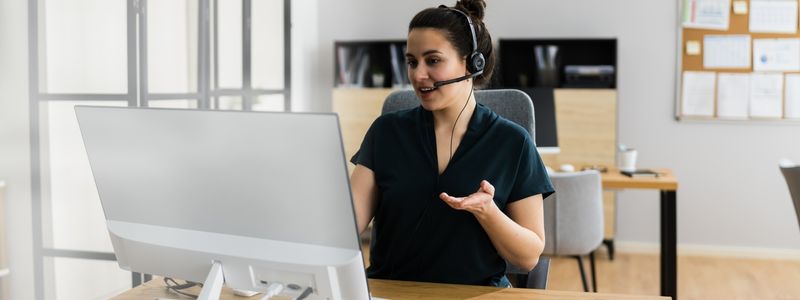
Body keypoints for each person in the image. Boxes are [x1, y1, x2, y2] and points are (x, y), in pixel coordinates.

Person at [349, 0, 554, 287]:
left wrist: (488, 211)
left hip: (474, 294)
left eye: (433, 60)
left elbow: (528, 257)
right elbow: (345, 228)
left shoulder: (512, 143)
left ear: (472, 63)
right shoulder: (386, 133)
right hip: (390, 292)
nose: (418, 75)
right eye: (412, 62)